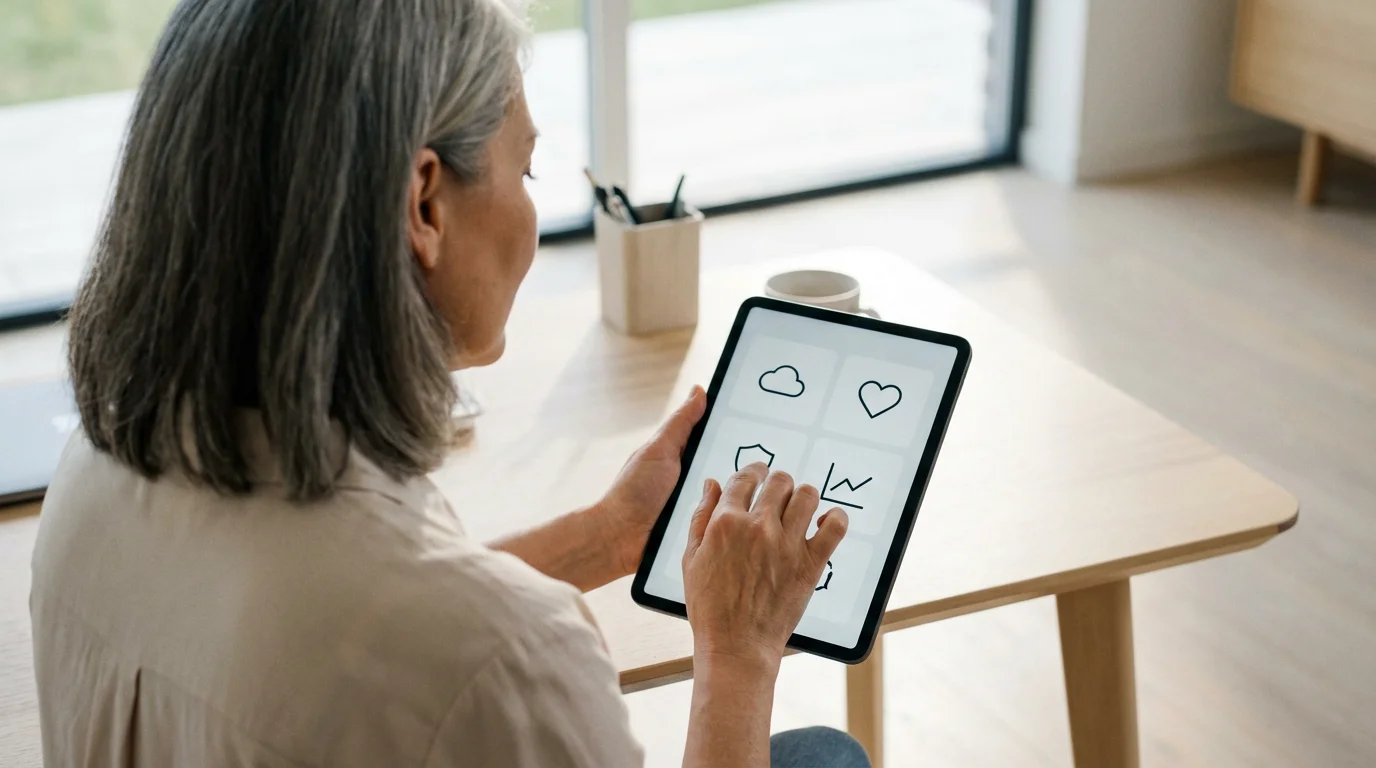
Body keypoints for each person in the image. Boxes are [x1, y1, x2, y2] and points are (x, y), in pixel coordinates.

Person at [29, 1, 870, 766]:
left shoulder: (94, 476)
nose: (533, 213)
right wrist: (740, 654)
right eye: (527, 170)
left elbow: (355, 637)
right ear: (423, 205)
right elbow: (452, 648)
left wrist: (609, 534)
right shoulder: (506, 661)